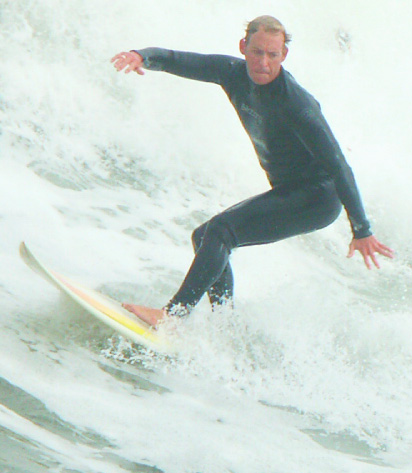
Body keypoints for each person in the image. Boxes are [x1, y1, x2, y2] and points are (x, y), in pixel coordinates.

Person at [111, 15, 393, 327]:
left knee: (220, 231)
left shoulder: (297, 103)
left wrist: (362, 229)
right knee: (205, 236)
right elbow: (177, 60)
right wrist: (141, 56)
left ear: (283, 56)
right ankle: (223, 324)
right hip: (290, 191)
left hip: (317, 199)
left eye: (272, 55)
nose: (263, 63)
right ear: (244, 47)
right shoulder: (232, 73)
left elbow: (339, 165)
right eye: (257, 52)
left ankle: (171, 317)